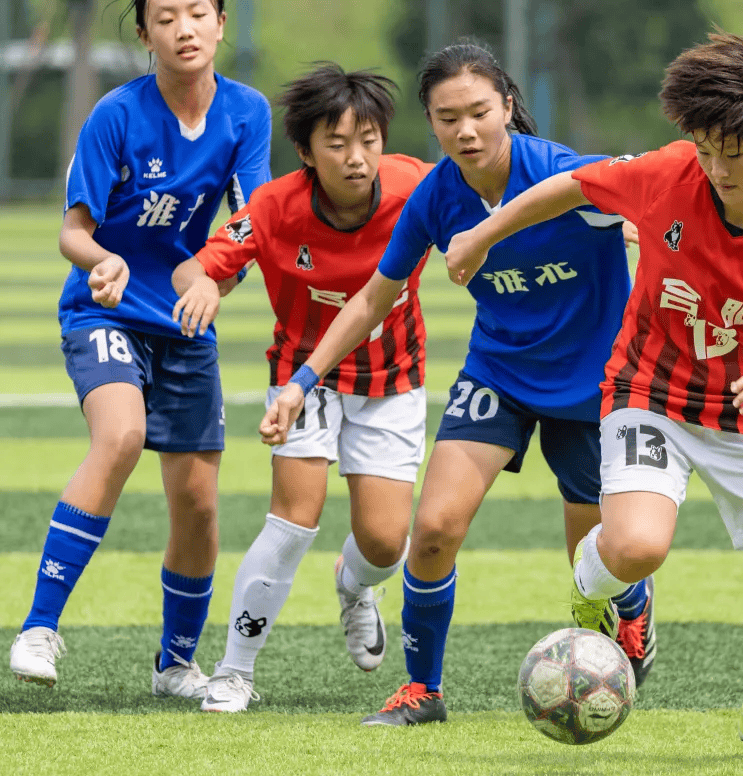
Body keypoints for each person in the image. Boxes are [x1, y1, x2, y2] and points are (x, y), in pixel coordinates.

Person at [444, 30, 743, 759]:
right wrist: (484, 235)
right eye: (706, 149)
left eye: (735, 153)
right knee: (635, 546)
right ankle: (589, 590)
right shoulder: (669, 173)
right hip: (648, 393)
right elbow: (575, 185)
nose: (716, 169)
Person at [259, 40, 654, 727]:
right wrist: (301, 381)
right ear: (431, 124)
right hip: (498, 374)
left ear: (508, 106)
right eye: (448, 118)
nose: (466, 131)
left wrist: (638, 234)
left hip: (593, 386)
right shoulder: (437, 196)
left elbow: (654, 193)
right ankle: (423, 690)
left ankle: (633, 606)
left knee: (596, 560)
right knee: (435, 528)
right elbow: (371, 299)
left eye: (479, 112)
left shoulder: (562, 171)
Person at [8, 0, 270, 697]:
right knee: (120, 436)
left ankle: (175, 664)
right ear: (144, 33)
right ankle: (38, 628)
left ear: (221, 23)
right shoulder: (116, 114)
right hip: (105, 311)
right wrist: (104, 261)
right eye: (166, 16)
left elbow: (253, 224)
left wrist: (213, 277)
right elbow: (73, 231)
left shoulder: (247, 113)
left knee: (200, 504)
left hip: (184, 322)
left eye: (198, 12)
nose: (184, 28)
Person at [171, 64, 432, 713]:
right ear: (306, 151)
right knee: (293, 520)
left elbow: (492, 217)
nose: (356, 158)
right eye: (336, 144)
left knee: (385, 543)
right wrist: (203, 287)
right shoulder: (272, 207)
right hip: (301, 378)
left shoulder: (417, 187)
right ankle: (234, 671)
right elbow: (196, 269)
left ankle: (354, 584)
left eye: (368, 140)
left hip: (392, 377)